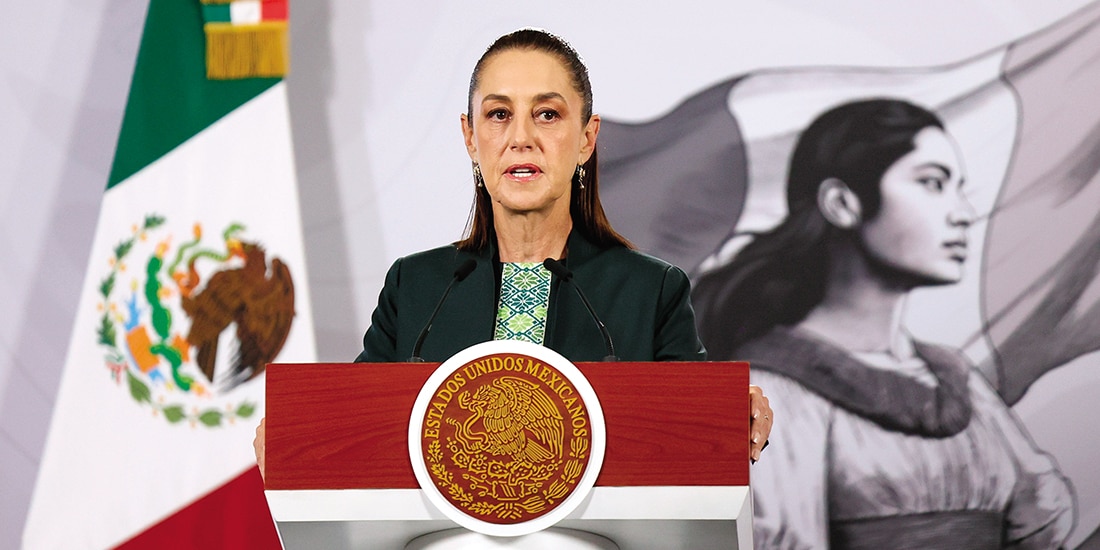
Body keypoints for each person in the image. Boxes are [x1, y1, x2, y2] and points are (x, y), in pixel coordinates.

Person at [255, 28, 772, 476]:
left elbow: (699, 430)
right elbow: (353, 425)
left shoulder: (651, 290)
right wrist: (293, 434)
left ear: (587, 138)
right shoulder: (415, 288)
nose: (521, 138)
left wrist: (738, 414)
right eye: (499, 114)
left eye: (547, 114)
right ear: (470, 136)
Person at [692, 99, 1074, 549]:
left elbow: (1042, 523)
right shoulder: (769, 392)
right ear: (842, 203)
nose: (963, 213)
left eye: (958, 188)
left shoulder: (956, 379)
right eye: (933, 183)